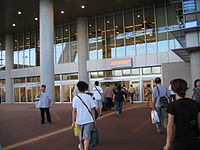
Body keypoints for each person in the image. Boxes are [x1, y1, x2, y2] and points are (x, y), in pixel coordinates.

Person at [164, 79, 200, 150]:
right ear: (186, 89)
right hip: (194, 140)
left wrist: (168, 143)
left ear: (173, 90)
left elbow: (170, 126)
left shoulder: (172, 105)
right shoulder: (196, 104)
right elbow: (199, 122)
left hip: (179, 140)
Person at [71, 81, 96, 150]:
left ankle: (81, 146)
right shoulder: (89, 97)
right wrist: (94, 120)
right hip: (89, 120)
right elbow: (93, 110)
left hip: (79, 120)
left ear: (78, 88)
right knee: (87, 137)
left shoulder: (75, 98)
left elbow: (74, 111)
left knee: (81, 136)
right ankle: (85, 148)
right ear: (85, 88)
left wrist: (73, 122)